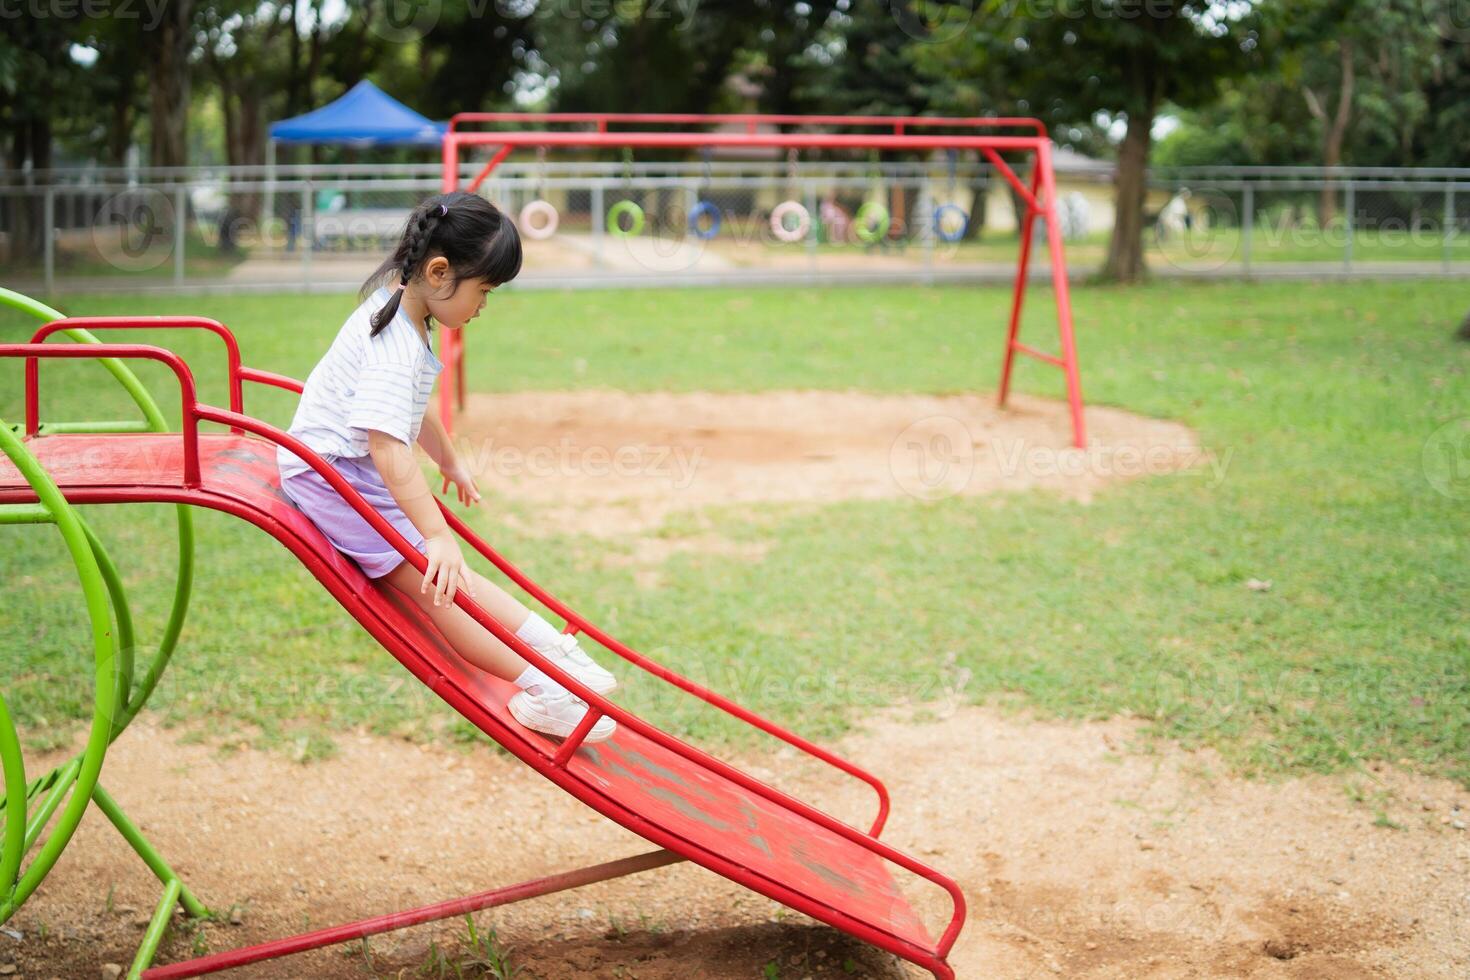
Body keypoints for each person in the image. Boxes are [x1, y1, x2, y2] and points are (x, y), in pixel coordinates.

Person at [276, 191, 619, 743]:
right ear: (439, 273)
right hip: (329, 478)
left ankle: (559, 655)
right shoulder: (395, 345)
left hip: (350, 468)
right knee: (438, 587)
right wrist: (436, 535)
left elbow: (411, 411)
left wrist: (450, 461)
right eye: (484, 290)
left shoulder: (403, 311)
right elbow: (388, 446)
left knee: (456, 579)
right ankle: (551, 689)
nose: (483, 304)